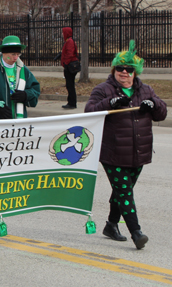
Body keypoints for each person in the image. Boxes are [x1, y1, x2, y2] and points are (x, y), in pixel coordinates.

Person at [84, 40, 167, 250]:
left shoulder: (146, 90)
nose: (124, 72)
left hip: (138, 152)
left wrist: (154, 104)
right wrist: (110, 104)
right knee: (125, 192)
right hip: (112, 152)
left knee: (122, 191)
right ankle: (136, 232)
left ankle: (111, 225)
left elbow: (162, 112)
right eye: (120, 68)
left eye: (129, 69)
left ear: (135, 72)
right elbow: (89, 112)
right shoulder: (104, 89)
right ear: (114, 69)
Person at [61, 27, 79, 109]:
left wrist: (66, 63)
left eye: (63, 32)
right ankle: (71, 102)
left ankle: (72, 103)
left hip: (70, 66)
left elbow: (70, 53)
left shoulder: (69, 42)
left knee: (70, 85)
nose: (62, 34)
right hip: (70, 65)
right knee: (69, 85)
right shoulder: (69, 41)